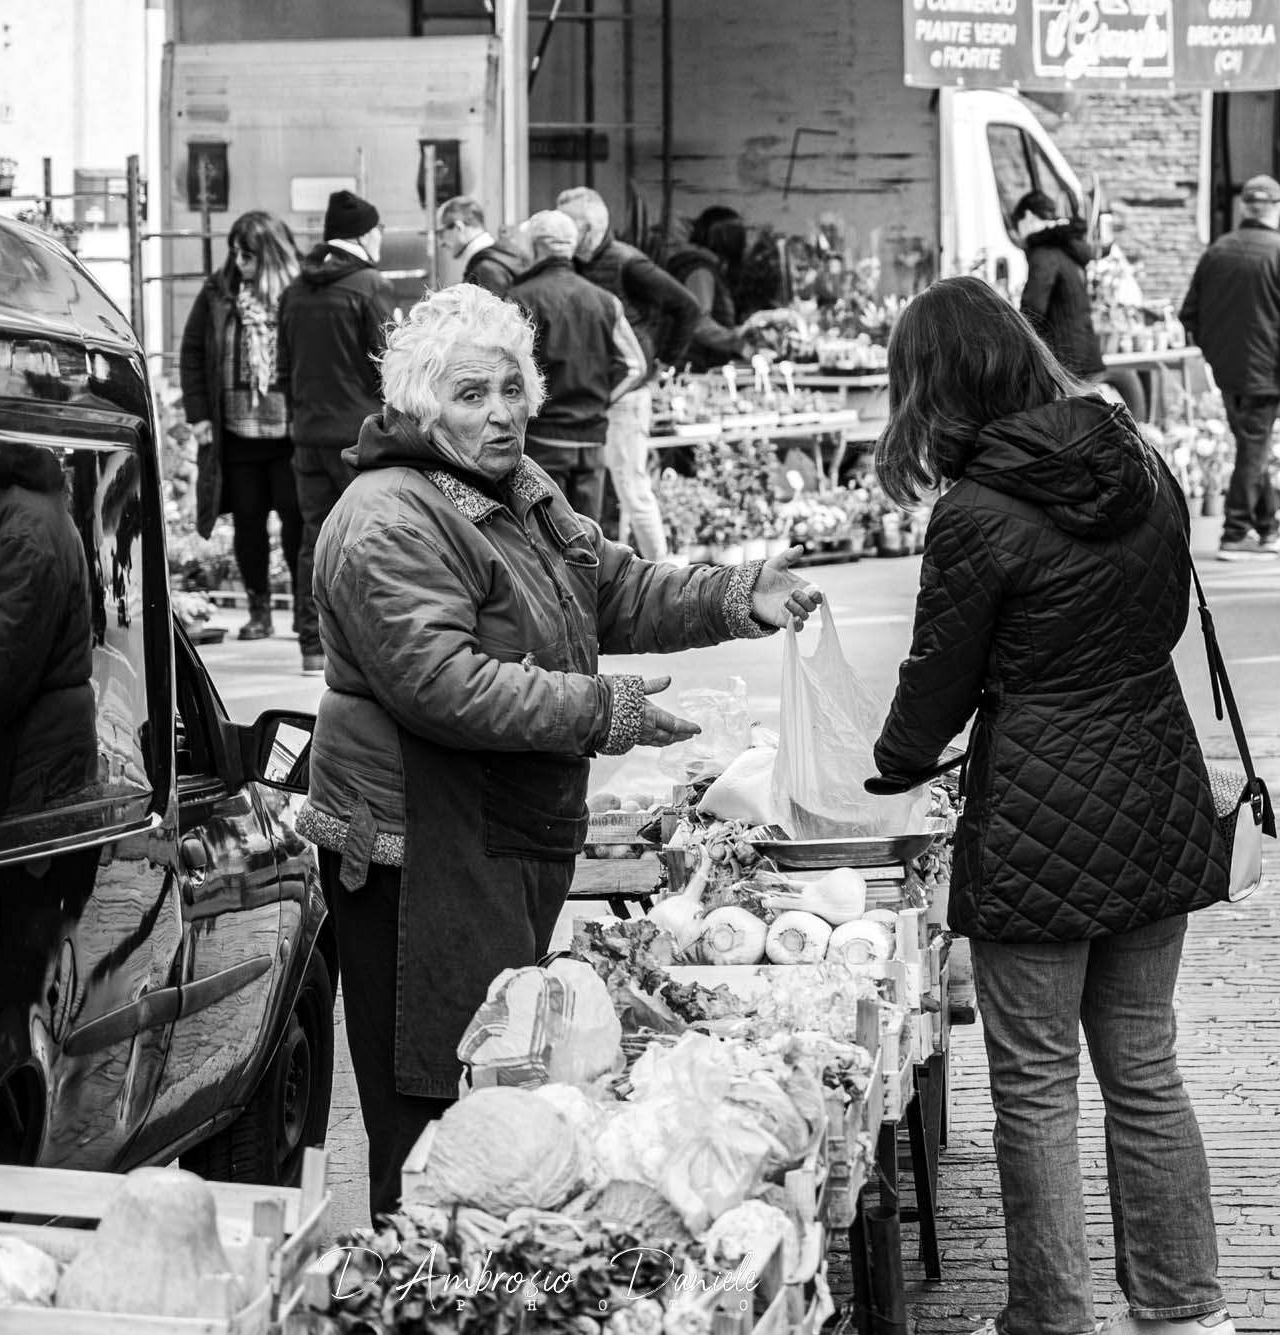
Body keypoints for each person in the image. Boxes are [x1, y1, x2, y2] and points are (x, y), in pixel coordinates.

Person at [298, 283, 824, 1219]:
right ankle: (416, 1295)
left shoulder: (516, 487)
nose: (500, 412)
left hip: (498, 837)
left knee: (506, 1083)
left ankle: (493, 1290)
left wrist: (738, 596)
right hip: (416, 857)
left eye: (510, 387)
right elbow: (445, 685)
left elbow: (611, 588)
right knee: (433, 1116)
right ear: (421, 405)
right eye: (470, 393)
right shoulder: (387, 516)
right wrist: (604, 711)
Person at [866, 276, 1236, 1335]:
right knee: (1144, 1064)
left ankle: (1051, 1317)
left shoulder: (974, 511)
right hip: (1152, 782)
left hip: (1035, 803)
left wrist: (888, 770)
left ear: (934, 386)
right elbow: (1161, 618)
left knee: (1033, 1083)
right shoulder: (1137, 458)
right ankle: (1182, 1311)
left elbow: (938, 674)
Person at [278, 189, 398, 675]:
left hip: (307, 432)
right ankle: (368, 641)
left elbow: (284, 368)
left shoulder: (294, 289)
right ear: (367, 234)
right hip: (359, 437)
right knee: (369, 537)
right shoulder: (371, 286)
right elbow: (391, 365)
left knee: (315, 537)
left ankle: (312, 644)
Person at [558, 185, 703, 562]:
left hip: (626, 393)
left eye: (569, 226)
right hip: (596, 392)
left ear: (588, 228)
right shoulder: (575, 265)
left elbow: (687, 307)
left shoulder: (628, 262)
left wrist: (663, 364)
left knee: (631, 488)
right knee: (605, 490)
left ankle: (663, 573)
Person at [178, 210, 301, 641]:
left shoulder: (299, 293)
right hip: (236, 431)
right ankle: (259, 610)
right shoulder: (219, 292)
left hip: (289, 433)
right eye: (234, 252)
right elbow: (193, 352)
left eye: (247, 254)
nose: (239, 261)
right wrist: (198, 417)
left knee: (297, 522)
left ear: (268, 254)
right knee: (247, 522)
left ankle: (306, 615)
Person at [1179, 175, 1280, 562]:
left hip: (1228, 370)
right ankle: (1236, 531)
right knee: (1254, 448)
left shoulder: (1217, 252)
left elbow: (1190, 313)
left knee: (1251, 446)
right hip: (1268, 371)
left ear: (1243, 209)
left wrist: (1215, 352)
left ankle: (1268, 526)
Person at [508, 209, 646, 523]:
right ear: (570, 247)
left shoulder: (519, 299)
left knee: (544, 538)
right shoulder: (605, 300)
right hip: (592, 437)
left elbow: (507, 368)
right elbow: (635, 366)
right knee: (588, 539)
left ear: (536, 247)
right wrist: (601, 401)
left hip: (542, 440)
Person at [1013, 190, 1106, 381]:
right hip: (1084, 351)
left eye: (1018, 225)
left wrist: (1017, 337)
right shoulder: (1065, 246)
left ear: (1028, 216)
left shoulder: (1043, 251)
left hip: (1065, 359)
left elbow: (1033, 308)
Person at [663, 208, 750, 369]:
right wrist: (738, 341)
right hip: (690, 365)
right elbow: (699, 323)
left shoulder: (705, 268)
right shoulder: (700, 271)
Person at [435, 195, 524, 296]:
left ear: (459, 227)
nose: (441, 243)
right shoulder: (503, 257)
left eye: (441, 233)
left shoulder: (485, 270)